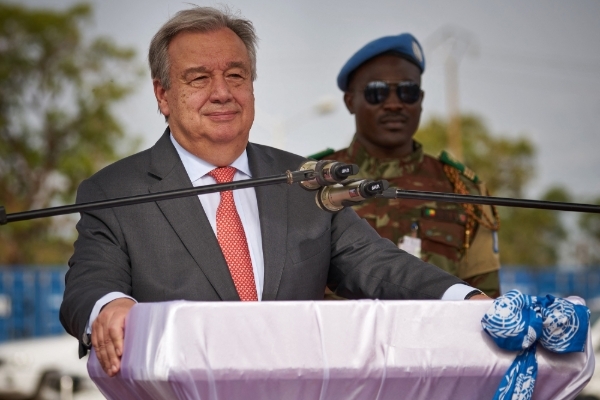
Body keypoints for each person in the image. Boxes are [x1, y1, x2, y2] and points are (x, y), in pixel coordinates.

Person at [59, 7, 488, 378]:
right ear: (163, 94)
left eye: (235, 75)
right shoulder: (115, 192)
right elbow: (88, 286)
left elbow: (377, 264)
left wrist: (466, 300)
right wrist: (109, 307)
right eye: (199, 78)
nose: (222, 92)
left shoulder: (304, 180)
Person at [316, 33, 501, 298]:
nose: (394, 104)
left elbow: (486, 301)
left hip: (435, 338)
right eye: (376, 92)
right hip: (338, 337)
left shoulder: (463, 190)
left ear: (421, 99)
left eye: (408, 91)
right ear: (349, 101)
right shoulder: (315, 184)